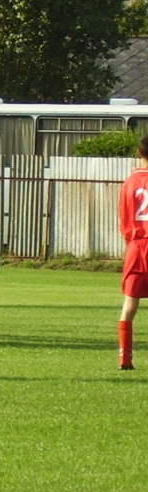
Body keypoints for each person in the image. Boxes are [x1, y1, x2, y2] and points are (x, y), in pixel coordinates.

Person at [116, 135, 148, 371]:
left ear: (139, 152)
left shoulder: (129, 182)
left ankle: (124, 358)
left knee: (130, 303)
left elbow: (124, 218)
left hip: (136, 246)